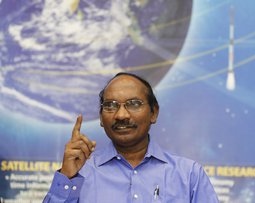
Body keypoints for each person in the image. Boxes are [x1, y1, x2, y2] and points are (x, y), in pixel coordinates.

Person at [43, 72, 219, 203]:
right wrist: (67, 177)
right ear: (101, 118)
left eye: (133, 104)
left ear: (154, 112)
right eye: (111, 105)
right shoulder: (80, 174)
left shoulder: (188, 176)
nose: (121, 115)